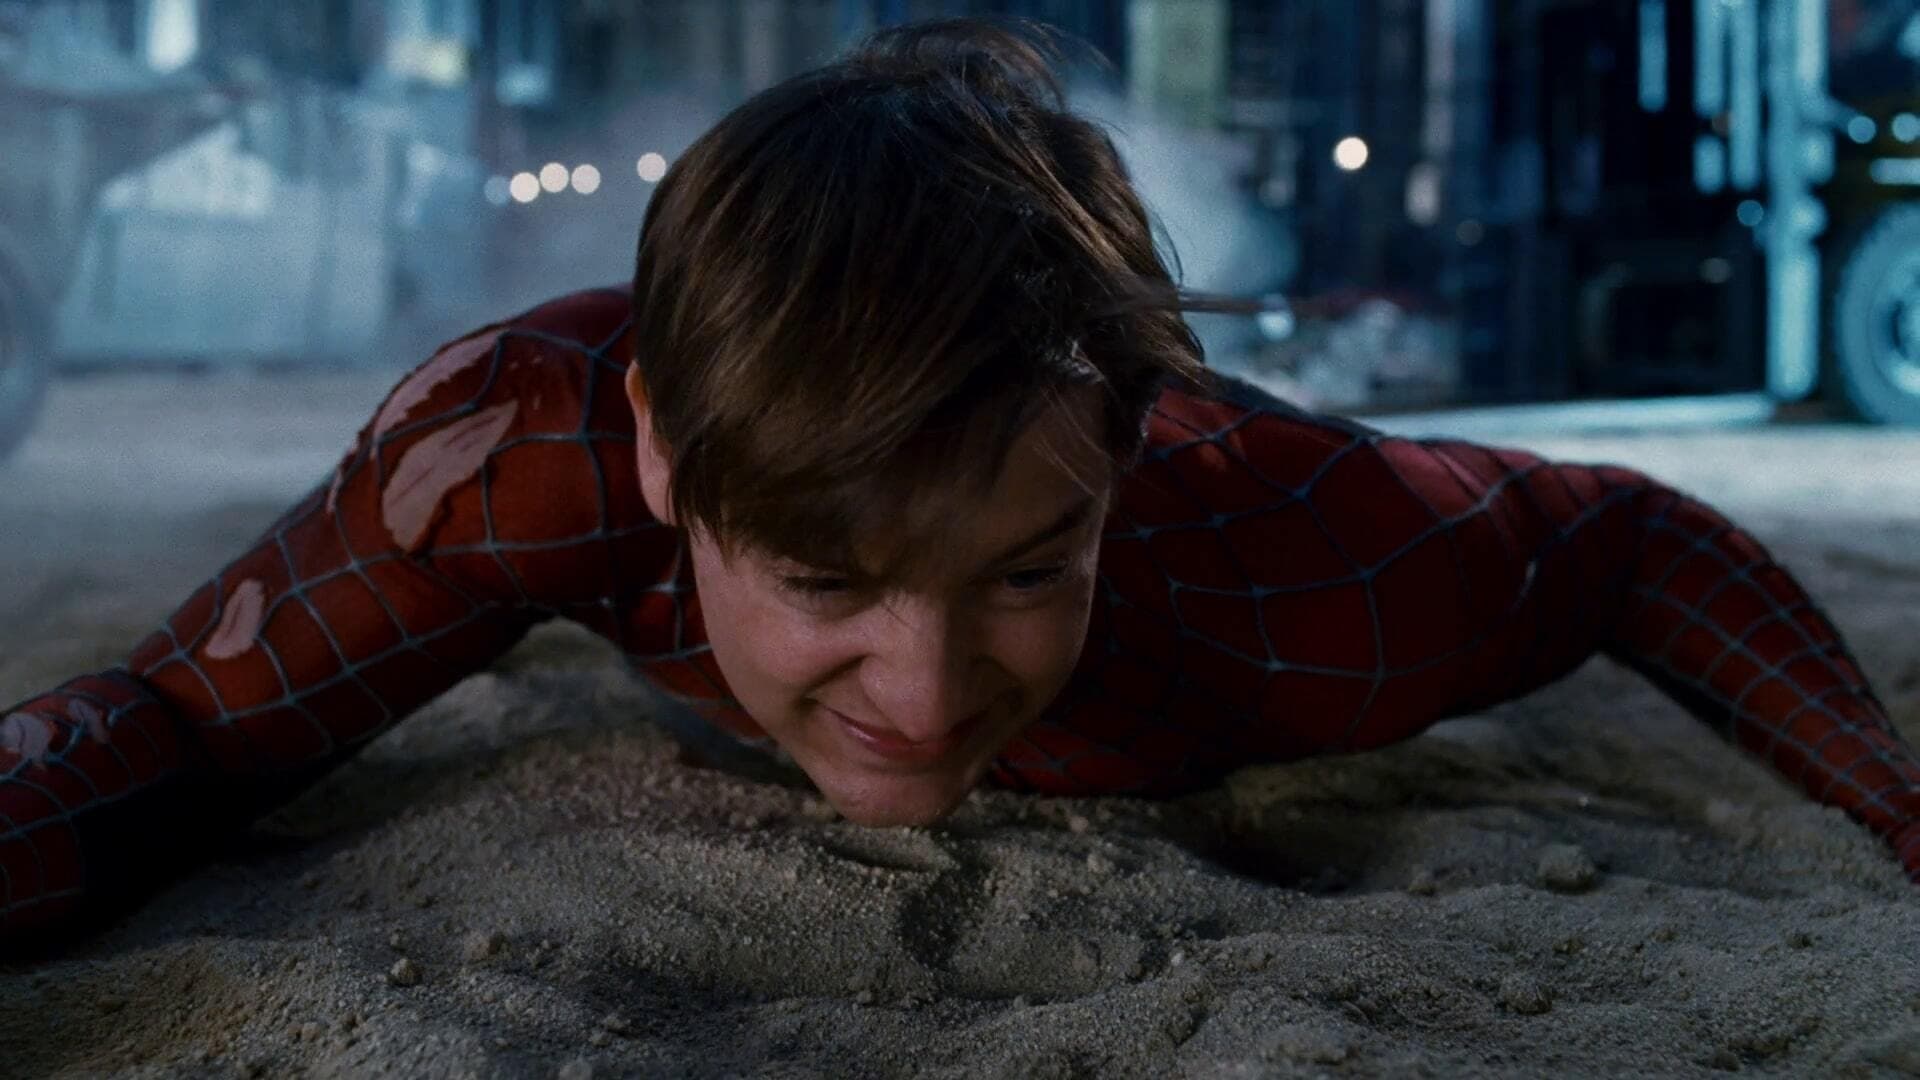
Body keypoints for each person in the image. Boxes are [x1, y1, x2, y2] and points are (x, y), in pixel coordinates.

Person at [3, 18, 1917, 950]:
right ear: (663, 447)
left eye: (1018, 570)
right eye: (826, 578)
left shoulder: (1296, 564)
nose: (923, 700)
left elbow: (1638, 541)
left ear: (1120, 466)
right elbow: (176, 721)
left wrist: (1895, 807)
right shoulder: (523, 454)